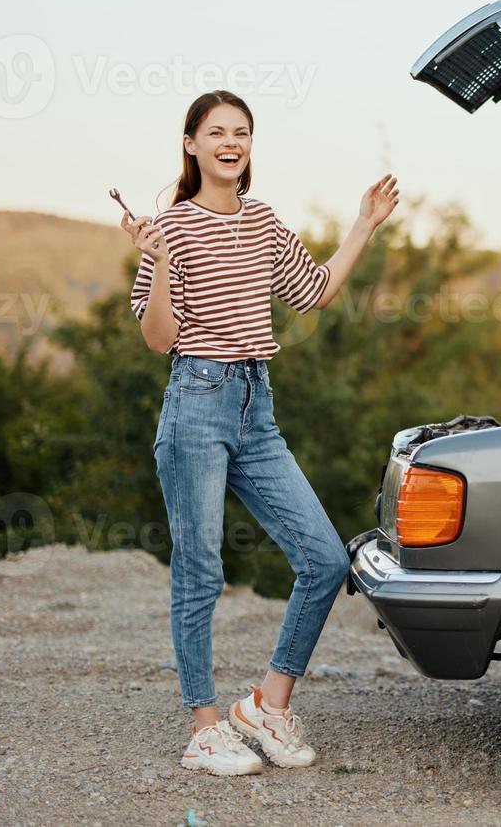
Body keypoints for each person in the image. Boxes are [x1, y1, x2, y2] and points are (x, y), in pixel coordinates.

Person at [121, 90, 399, 776]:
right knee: (200, 570)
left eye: (241, 132)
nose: (230, 141)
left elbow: (315, 292)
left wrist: (363, 224)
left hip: (256, 406)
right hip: (196, 401)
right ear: (190, 145)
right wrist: (154, 262)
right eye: (215, 132)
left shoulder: (264, 221)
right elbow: (159, 339)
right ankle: (204, 726)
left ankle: (267, 704)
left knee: (326, 559)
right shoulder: (171, 229)